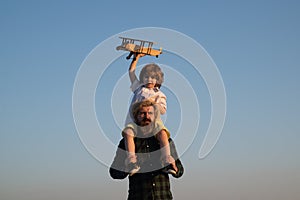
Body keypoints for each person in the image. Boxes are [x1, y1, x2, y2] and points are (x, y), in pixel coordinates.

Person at [110, 100, 184, 200]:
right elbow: (114, 172)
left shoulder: (165, 141)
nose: (146, 116)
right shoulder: (127, 143)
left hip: (163, 196)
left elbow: (180, 170)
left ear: (155, 116)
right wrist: (127, 168)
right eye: (142, 113)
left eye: (150, 113)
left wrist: (174, 166)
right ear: (136, 116)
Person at [122, 53, 175, 176]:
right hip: (135, 121)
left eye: (153, 77)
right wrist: (136, 59)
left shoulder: (159, 94)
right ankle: (132, 161)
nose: (149, 80)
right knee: (128, 133)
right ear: (142, 78)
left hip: (152, 122)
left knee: (162, 134)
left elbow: (163, 110)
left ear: (158, 80)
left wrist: (154, 103)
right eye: (146, 77)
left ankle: (166, 159)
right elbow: (131, 72)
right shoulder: (139, 88)